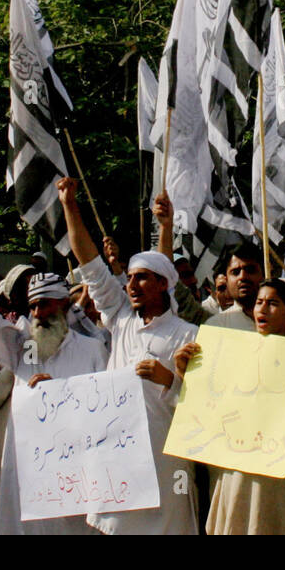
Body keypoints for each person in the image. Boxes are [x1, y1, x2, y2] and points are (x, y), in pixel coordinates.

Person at [60, 177, 199, 535]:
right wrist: (69, 206)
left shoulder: (189, 335)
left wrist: (169, 380)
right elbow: (90, 263)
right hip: (117, 459)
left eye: (142, 279)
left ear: (164, 285)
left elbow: (203, 408)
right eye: (130, 278)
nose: (131, 286)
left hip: (166, 462)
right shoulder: (121, 321)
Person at [0, 218, 107, 535]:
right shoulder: (20, 348)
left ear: (64, 304)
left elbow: (107, 409)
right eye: (33, 307)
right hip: (28, 472)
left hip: (75, 472)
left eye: (44, 305)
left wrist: (61, 395)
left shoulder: (93, 350)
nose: (38, 314)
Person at [176, 278, 285, 534]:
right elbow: (208, 411)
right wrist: (186, 373)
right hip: (234, 471)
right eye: (259, 302)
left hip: (277, 477)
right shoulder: (230, 355)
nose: (263, 309)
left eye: (273, 303)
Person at [205, 242, 264, 331]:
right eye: (235, 272)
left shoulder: (284, 319)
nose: (243, 276)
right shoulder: (215, 326)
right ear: (227, 279)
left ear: (264, 275)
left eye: (250, 270)